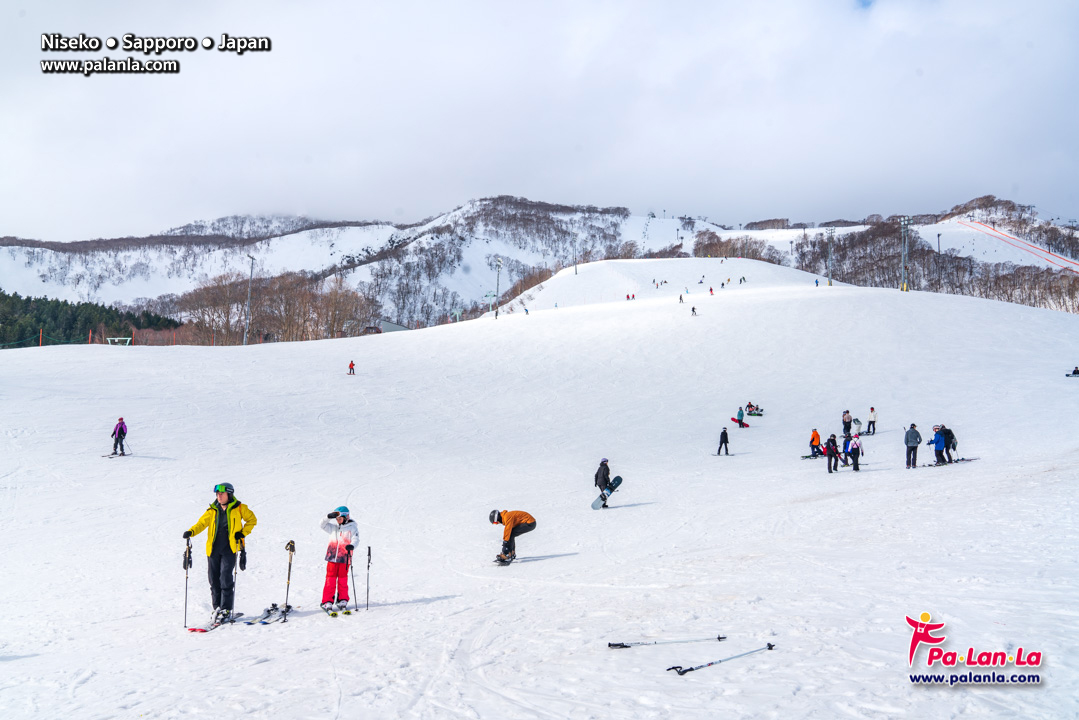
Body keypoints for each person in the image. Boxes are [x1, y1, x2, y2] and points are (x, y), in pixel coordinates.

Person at [183, 482, 257, 623]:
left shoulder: (239, 508)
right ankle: (217, 608)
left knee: (225, 578)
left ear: (229, 494)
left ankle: (226, 609)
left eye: (222, 494)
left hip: (229, 549)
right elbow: (201, 524)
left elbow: (252, 520)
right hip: (213, 550)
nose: (219, 496)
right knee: (213, 579)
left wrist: (242, 533)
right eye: (217, 494)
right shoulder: (212, 510)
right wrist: (191, 532)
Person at [320, 506, 360, 612]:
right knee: (330, 580)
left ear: (346, 517)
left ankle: (342, 600)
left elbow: (356, 539)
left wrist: (352, 545)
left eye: (340, 518)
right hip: (332, 558)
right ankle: (327, 602)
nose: (338, 520)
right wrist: (328, 517)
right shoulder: (333, 528)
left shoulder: (352, 528)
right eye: (336, 519)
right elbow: (322, 525)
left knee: (343, 580)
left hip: (344, 558)